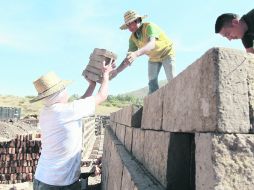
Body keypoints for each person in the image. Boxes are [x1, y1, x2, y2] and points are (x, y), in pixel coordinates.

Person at [31, 62, 113, 190]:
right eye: (63, 89)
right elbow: (102, 96)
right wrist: (106, 75)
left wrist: (92, 85)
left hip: (42, 180)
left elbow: (78, 104)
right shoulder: (68, 111)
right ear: (58, 93)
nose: (66, 91)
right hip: (60, 184)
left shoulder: (46, 112)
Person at [111, 10, 175, 94]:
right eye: (127, 25)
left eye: (131, 23)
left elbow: (151, 44)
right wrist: (116, 71)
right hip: (153, 58)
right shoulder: (132, 38)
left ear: (137, 20)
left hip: (166, 52)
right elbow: (129, 58)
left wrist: (136, 54)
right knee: (152, 83)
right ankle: (153, 104)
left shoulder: (149, 27)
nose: (129, 27)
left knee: (172, 79)